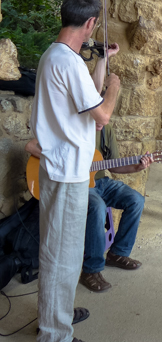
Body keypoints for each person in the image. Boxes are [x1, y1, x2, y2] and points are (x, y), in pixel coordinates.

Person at [30, 0, 120, 342]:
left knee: (61, 251)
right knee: (62, 256)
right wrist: (115, 88)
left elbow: (88, 97)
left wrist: (103, 62)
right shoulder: (65, 62)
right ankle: (53, 340)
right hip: (66, 172)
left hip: (64, 169)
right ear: (89, 24)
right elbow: (101, 114)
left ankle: (57, 315)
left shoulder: (58, 57)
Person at [26, 124, 152, 294]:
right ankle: (91, 270)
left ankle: (118, 253)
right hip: (79, 185)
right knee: (97, 206)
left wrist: (138, 167)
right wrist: (63, 163)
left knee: (136, 200)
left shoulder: (106, 131)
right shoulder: (68, 126)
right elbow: (30, 146)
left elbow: (114, 167)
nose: (102, 120)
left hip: (100, 182)